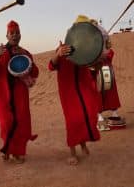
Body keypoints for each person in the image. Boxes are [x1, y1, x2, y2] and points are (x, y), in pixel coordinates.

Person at [0, 20, 39, 164]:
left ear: (20, 36)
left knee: (20, 122)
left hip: (19, 94)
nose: (15, 36)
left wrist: (26, 58)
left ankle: (16, 152)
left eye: (17, 33)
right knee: (7, 121)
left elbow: (35, 72)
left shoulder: (25, 52)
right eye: (12, 33)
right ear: (7, 36)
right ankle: (8, 147)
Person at [48, 15, 100, 166]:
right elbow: (51, 66)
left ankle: (83, 143)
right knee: (73, 120)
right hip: (68, 91)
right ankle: (72, 152)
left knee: (88, 114)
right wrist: (58, 55)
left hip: (84, 87)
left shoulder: (90, 47)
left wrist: (97, 62)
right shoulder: (64, 47)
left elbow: (93, 68)